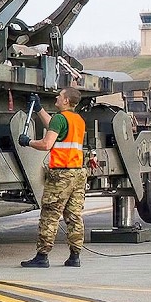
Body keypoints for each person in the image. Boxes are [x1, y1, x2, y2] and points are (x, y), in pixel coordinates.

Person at [18, 87, 96, 268]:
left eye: (60, 96)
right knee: (74, 215)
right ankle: (75, 256)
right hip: (78, 172)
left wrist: (27, 141)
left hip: (61, 175)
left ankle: (42, 256)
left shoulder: (61, 119)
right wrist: (39, 109)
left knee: (50, 214)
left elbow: (47, 144)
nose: (56, 97)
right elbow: (54, 126)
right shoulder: (77, 119)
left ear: (66, 100)